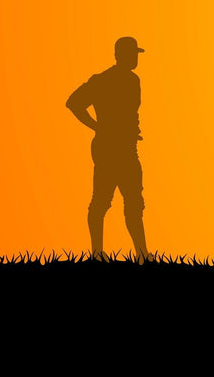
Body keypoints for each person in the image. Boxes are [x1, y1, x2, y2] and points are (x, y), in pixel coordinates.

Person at [67, 36, 150, 262]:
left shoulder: (133, 80)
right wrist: (97, 126)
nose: (135, 59)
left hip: (127, 147)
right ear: (119, 55)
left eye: (136, 55)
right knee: (102, 202)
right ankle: (98, 253)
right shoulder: (101, 80)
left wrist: (129, 130)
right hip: (108, 149)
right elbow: (73, 102)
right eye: (132, 54)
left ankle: (142, 254)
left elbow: (127, 114)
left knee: (133, 202)